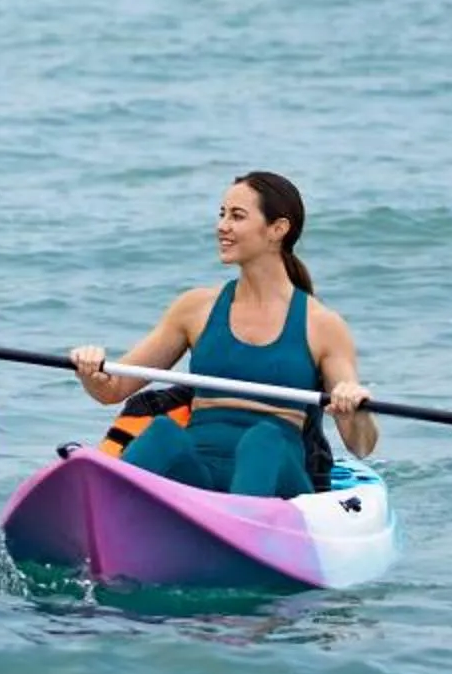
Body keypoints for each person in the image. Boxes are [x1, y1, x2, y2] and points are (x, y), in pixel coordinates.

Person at [68, 170, 377, 498]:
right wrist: (91, 369)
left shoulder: (322, 325)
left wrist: (355, 408)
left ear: (278, 229)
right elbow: (112, 390)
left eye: (237, 216)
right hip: (201, 477)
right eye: (222, 214)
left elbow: (361, 445)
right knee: (162, 432)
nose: (222, 226)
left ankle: (240, 527)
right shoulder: (195, 308)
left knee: (264, 439)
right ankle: (98, 506)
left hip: (278, 483)